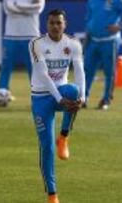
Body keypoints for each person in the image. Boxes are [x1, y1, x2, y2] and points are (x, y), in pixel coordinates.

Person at [29, 9, 85, 203]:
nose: (55, 26)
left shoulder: (73, 44)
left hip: (62, 93)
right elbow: (43, 75)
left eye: (58, 23)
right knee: (47, 147)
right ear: (47, 24)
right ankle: (52, 194)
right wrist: (59, 100)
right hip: (41, 97)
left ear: (65, 24)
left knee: (74, 92)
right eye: (52, 23)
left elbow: (79, 70)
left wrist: (83, 98)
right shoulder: (36, 44)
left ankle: (64, 136)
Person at [0, 0, 45, 107]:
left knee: (34, 69)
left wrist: (17, 6)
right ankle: (2, 93)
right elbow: (8, 9)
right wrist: (29, 8)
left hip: (31, 35)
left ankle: (39, 95)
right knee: (6, 67)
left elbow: (38, 8)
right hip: (11, 35)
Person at [84, 0, 122, 110]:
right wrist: (86, 43)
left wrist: (120, 25)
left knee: (109, 72)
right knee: (87, 70)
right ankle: (83, 98)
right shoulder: (91, 1)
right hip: (93, 40)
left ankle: (106, 100)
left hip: (110, 41)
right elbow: (89, 20)